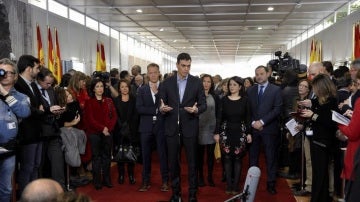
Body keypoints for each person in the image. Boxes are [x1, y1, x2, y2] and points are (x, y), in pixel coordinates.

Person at [159, 52, 207, 202]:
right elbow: (160, 103)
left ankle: (192, 193)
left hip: (190, 127)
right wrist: (161, 109)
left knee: (192, 163)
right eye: (183, 66)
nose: (186, 69)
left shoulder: (196, 82)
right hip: (171, 128)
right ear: (177, 65)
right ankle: (176, 193)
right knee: (173, 163)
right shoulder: (167, 83)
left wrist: (197, 110)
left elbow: (203, 104)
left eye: (189, 66)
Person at [299, 74, 338, 202]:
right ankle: (321, 197)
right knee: (319, 172)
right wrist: (310, 104)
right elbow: (316, 105)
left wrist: (313, 115)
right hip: (316, 139)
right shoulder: (321, 100)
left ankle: (318, 198)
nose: (313, 90)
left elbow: (329, 122)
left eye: (315, 87)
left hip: (324, 141)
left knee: (320, 172)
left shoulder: (331, 101)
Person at [247, 65, 282, 195]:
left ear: (268, 74)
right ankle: (251, 184)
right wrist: (253, 123)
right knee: (253, 158)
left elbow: (277, 109)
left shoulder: (276, 90)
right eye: (257, 74)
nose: (259, 76)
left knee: (270, 158)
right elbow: (247, 110)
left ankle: (271, 183)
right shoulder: (250, 90)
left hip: (269, 129)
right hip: (253, 130)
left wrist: (262, 122)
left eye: (261, 73)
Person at [214, 76, 252, 195]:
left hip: (240, 132)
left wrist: (249, 133)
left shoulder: (245, 100)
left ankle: (235, 186)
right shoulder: (223, 100)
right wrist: (217, 133)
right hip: (226, 132)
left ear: (240, 87)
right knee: (227, 158)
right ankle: (229, 186)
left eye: (235, 85)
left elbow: (248, 118)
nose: (232, 87)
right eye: (230, 84)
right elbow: (219, 118)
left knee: (237, 159)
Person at [0, 58, 31, 202]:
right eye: (1, 72)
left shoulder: (21, 97)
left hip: (8, 150)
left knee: (6, 188)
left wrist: (5, 94)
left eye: (9, 72)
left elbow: (24, 112)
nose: (4, 75)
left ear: (16, 76)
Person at [136, 63, 169, 192]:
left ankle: (165, 181)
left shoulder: (165, 88)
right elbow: (139, 108)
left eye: (155, 72)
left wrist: (162, 108)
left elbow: (169, 105)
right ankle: (145, 181)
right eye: (150, 72)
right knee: (145, 155)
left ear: (159, 73)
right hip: (145, 127)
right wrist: (157, 110)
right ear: (147, 74)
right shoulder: (142, 90)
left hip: (161, 126)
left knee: (162, 155)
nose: (153, 75)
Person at [14, 55, 43, 195]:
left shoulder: (33, 84)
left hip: (37, 132)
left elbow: (40, 105)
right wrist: (39, 111)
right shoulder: (17, 84)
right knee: (27, 167)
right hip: (26, 133)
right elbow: (28, 109)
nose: (38, 71)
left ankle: (35, 195)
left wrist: (41, 110)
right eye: (37, 68)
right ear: (28, 68)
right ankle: (26, 196)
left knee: (36, 166)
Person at [34, 68, 66, 188]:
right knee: (40, 166)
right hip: (40, 133)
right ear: (39, 80)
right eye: (47, 83)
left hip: (54, 131)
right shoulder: (33, 90)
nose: (49, 86)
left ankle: (60, 191)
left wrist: (58, 111)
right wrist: (47, 111)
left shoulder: (51, 90)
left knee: (58, 164)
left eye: (51, 83)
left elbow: (53, 106)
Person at [84, 79, 117, 190]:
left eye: (101, 86)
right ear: (93, 89)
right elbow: (90, 119)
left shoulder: (109, 101)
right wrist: (102, 128)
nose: (100, 88)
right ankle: (97, 181)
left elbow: (114, 117)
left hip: (108, 133)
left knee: (107, 157)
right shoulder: (89, 102)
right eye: (97, 86)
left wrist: (108, 129)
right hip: (94, 133)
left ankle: (107, 180)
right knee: (96, 158)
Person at [113, 79, 139, 185]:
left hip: (131, 130)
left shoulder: (134, 99)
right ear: (119, 88)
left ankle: (131, 175)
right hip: (119, 131)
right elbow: (115, 115)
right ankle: (121, 175)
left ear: (129, 88)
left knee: (130, 153)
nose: (124, 89)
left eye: (126, 86)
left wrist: (128, 127)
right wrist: (121, 126)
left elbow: (136, 115)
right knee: (120, 153)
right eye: (122, 86)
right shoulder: (115, 100)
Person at [197, 74, 220, 187]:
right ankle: (200, 177)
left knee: (210, 157)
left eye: (208, 82)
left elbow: (218, 114)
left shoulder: (215, 96)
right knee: (199, 157)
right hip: (199, 130)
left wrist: (217, 131)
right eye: (204, 81)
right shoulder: (195, 96)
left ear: (211, 84)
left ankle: (210, 177)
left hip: (211, 130)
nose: (206, 84)